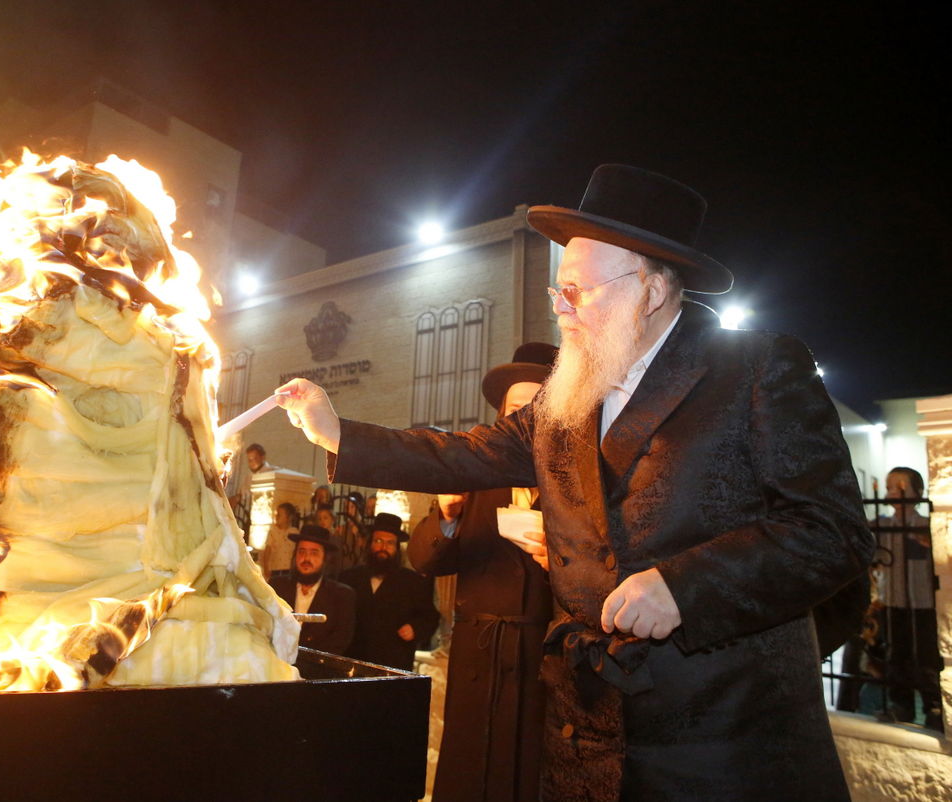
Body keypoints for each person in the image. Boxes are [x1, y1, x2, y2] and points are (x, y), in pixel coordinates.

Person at [278, 164, 874, 801]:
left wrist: (685, 587)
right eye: (557, 290)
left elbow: (831, 532)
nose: (561, 307)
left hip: (724, 736)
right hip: (585, 732)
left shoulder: (754, 369)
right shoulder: (571, 393)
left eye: (579, 291)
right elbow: (465, 454)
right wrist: (337, 433)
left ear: (649, 290)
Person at [408, 342, 557, 802]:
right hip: (478, 651)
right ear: (501, 416)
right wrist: (447, 513)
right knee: (470, 764)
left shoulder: (572, 482)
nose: (527, 417)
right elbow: (426, 561)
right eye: (518, 408)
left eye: (539, 406)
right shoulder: (476, 474)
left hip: (541, 651)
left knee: (529, 769)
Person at [875, 466, 941, 730]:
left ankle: (933, 706)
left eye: (899, 487)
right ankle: (900, 705)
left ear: (917, 492)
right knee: (896, 653)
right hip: (893, 598)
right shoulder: (883, 525)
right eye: (889, 487)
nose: (892, 492)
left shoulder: (926, 525)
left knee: (926, 654)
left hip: (923, 601)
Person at [340, 513, 440, 671]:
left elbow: (430, 617)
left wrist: (415, 629)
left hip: (393, 663)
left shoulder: (412, 582)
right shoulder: (349, 577)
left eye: (390, 543)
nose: (383, 547)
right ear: (370, 544)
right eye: (378, 541)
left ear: (397, 548)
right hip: (353, 661)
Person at [269, 524, 356, 656]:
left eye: (314, 553)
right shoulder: (277, 587)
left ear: (325, 558)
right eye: (302, 552)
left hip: (318, 670)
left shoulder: (342, 595)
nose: (306, 559)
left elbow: (340, 641)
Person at [259, 502, 299, 579]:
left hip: (289, 570)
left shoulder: (295, 532)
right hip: (275, 570)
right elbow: (267, 550)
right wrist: (266, 567)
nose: (276, 517)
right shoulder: (273, 532)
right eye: (276, 514)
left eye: (279, 515)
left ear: (289, 518)